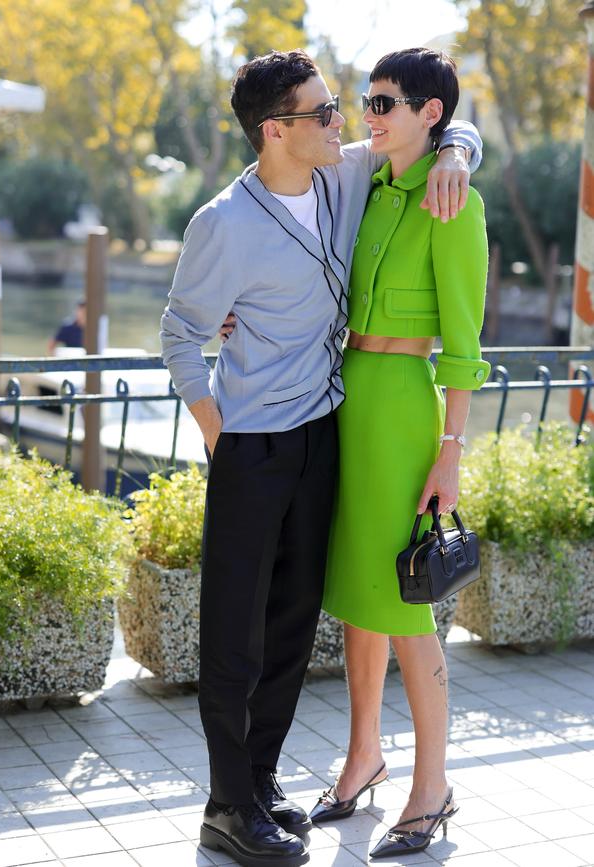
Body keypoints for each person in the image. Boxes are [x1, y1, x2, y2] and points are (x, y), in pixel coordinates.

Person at [160, 48, 481, 867]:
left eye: (348, 106)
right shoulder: (222, 221)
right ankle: (227, 806)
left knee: (295, 621)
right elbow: (180, 333)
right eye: (327, 111)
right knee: (235, 631)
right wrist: (214, 428)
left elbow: (439, 123)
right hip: (253, 444)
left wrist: (460, 147)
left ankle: (259, 784)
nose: (346, 121)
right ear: (277, 130)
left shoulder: (345, 178)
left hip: (329, 431)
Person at [309, 48, 490, 859]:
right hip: (350, 398)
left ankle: (433, 784)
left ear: (430, 114)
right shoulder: (367, 183)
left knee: (407, 600)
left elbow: (464, 346)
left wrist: (450, 451)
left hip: (407, 413)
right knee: (356, 595)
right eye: (366, 100)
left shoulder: (456, 200)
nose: (368, 115)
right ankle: (362, 757)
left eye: (385, 103)